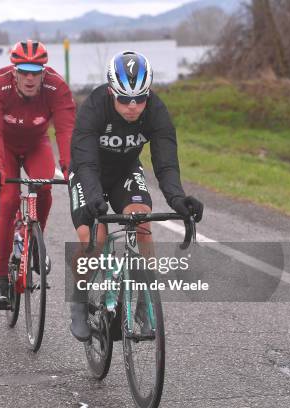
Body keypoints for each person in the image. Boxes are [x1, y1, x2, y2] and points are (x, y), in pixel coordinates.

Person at [67, 51, 204, 341]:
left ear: (148, 93)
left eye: (139, 99)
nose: (133, 107)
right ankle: (78, 302)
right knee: (95, 238)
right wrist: (93, 198)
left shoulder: (156, 110)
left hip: (125, 170)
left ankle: (143, 299)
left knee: (142, 223)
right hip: (87, 173)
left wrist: (178, 199)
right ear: (110, 91)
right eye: (125, 99)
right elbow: (86, 162)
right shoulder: (93, 108)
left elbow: (165, 163)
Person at [0, 40, 75, 307]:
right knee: (9, 201)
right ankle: (0, 278)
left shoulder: (56, 87)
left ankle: (34, 242)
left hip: (36, 144)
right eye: (24, 71)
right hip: (5, 149)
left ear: (44, 71)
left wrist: (70, 166)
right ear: (14, 71)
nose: (30, 77)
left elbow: (66, 130)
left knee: (44, 187)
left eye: (36, 71)